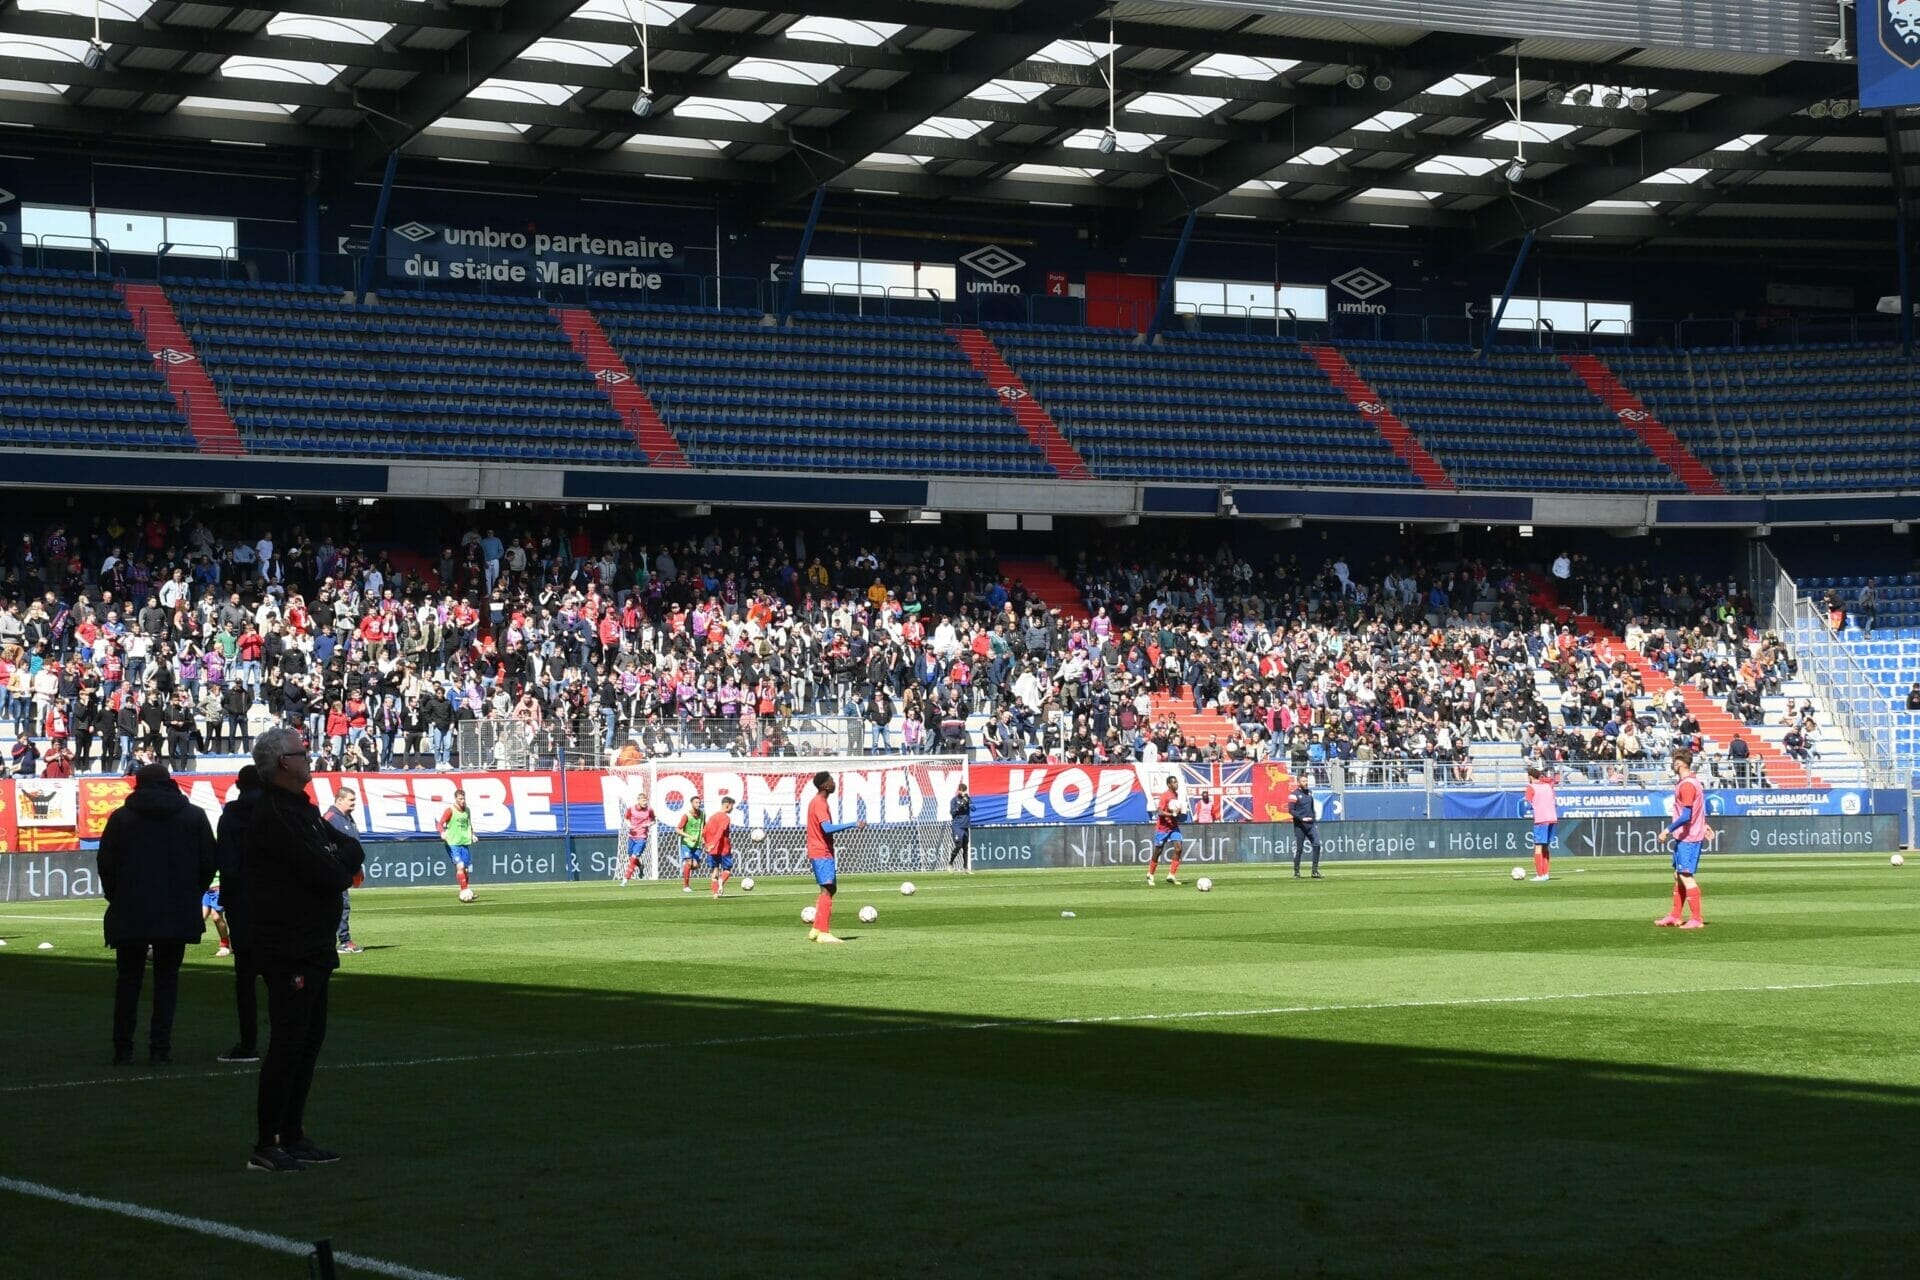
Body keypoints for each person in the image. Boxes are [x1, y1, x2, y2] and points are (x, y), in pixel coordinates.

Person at [244, 725, 364, 1173]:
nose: (308, 757)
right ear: (282, 763)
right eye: (301, 751)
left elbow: (348, 852)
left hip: (310, 944)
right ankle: (267, 1141)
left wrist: (338, 859)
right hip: (289, 944)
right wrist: (338, 861)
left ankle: (291, 1133)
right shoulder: (277, 813)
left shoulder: (300, 810)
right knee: (290, 1043)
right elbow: (333, 871)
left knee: (307, 1042)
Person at [97, 762, 217, 1066]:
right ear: (170, 782)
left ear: (138, 784)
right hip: (176, 911)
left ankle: (122, 1049)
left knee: (128, 982)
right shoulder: (193, 815)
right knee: (167, 981)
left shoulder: (122, 818)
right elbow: (208, 862)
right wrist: (190, 894)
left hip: (130, 910)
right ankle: (160, 1048)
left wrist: (119, 896)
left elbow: (106, 865)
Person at [214, 764, 265, 1064]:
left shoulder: (230, 816)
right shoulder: (277, 810)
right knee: (281, 976)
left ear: (238, 784)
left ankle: (249, 1043)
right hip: (275, 905)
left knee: (245, 980)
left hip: (243, 905)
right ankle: (288, 1040)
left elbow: (226, 861)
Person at [804, 771, 864, 944]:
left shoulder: (818, 802)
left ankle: (816, 929)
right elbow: (827, 828)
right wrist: (852, 824)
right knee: (827, 889)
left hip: (820, 850)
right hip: (821, 851)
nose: (833, 782)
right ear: (824, 785)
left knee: (830, 888)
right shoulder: (819, 803)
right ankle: (824, 932)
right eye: (830, 780)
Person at [1655, 749, 1709, 929]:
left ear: (1679, 763)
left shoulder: (1687, 785)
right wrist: (1704, 823)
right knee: (1678, 875)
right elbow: (1698, 809)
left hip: (1688, 837)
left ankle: (1696, 918)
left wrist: (1667, 830)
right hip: (1687, 836)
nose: (1672, 764)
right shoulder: (1692, 782)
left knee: (1686, 875)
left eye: (1673, 761)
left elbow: (1687, 815)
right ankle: (1675, 915)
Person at [323, 786, 364, 953]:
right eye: (351, 800)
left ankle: (333, 941)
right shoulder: (330, 817)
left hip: (346, 870)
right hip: (335, 869)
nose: (354, 803)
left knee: (340, 905)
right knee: (341, 905)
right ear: (340, 800)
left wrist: (357, 867)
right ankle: (344, 941)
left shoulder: (348, 818)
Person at [437, 787, 476, 901]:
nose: (463, 801)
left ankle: (465, 891)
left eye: (463, 798)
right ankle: (464, 892)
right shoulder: (450, 810)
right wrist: (442, 832)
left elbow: (469, 825)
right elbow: (439, 824)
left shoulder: (467, 810)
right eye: (460, 799)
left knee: (466, 870)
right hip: (452, 843)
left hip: (464, 843)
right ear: (456, 799)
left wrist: (473, 835)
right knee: (460, 866)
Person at [1146, 775, 1184, 886]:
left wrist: (1178, 813)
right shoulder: (1164, 796)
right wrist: (1172, 814)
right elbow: (1160, 812)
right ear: (1169, 784)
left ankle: (1171, 875)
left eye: (1176, 782)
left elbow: (1175, 813)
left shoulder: (1175, 795)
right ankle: (1150, 874)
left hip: (1173, 827)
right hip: (1162, 828)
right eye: (1174, 782)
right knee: (1158, 851)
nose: (1176, 784)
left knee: (1179, 848)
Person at [1525, 764, 1557, 883]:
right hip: (1552, 818)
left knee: (1538, 847)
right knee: (1545, 847)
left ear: (1530, 777)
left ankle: (1540, 874)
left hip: (1541, 819)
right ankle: (1546, 873)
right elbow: (1554, 799)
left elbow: (1528, 804)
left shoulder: (1530, 787)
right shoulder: (1548, 786)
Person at [1289, 776, 1322, 879]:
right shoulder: (1294, 795)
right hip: (1300, 825)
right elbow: (1291, 810)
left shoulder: (1309, 793)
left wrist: (1314, 820)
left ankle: (1314, 871)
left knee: (1317, 844)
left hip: (1311, 824)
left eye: (1306, 781)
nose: (1306, 783)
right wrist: (1301, 818)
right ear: (1298, 783)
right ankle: (1297, 871)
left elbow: (1311, 808)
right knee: (1299, 849)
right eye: (1303, 781)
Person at [704, 795, 736, 898]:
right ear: (727, 805)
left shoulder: (712, 817)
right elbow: (720, 831)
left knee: (714, 872)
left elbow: (704, 832)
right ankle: (721, 882)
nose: (732, 808)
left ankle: (715, 894)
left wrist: (707, 845)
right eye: (732, 806)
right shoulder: (725, 817)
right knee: (727, 870)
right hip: (723, 848)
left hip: (712, 850)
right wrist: (714, 843)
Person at [619, 792, 653, 885]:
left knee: (633, 859)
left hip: (642, 838)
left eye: (646, 801)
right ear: (638, 800)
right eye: (643, 800)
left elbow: (654, 820)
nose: (645, 802)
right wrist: (629, 825)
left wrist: (648, 824)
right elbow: (626, 818)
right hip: (632, 837)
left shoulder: (649, 810)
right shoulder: (631, 809)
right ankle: (641, 866)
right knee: (631, 857)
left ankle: (625, 879)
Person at [676, 795, 706, 894]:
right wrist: (688, 836)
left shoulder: (702, 814)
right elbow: (677, 829)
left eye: (699, 802)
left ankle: (686, 867)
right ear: (692, 803)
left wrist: (703, 838)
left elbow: (704, 827)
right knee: (689, 863)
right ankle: (686, 886)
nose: (698, 804)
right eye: (696, 802)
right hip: (686, 844)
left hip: (696, 844)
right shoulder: (686, 815)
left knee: (696, 866)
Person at [203, 872, 233, 958]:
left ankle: (225, 945)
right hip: (207, 889)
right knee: (201, 917)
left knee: (216, 916)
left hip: (219, 888)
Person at [948, 782, 972, 873]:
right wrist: (961, 805)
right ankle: (950, 864)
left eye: (964, 791)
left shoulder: (967, 799)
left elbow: (974, 808)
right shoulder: (954, 800)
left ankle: (965, 868)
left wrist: (968, 801)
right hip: (957, 826)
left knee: (965, 847)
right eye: (962, 790)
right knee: (958, 845)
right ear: (959, 790)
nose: (963, 792)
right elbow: (953, 813)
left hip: (965, 825)